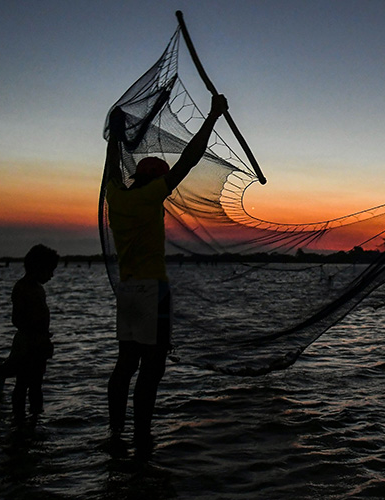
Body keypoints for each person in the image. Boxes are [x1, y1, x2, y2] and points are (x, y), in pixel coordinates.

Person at [104, 94, 229, 460]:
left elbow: (111, 167)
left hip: (127, 292)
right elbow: (190, 159)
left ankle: (116, 432)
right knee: (152, 367)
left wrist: (114, 137)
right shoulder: (150, 197)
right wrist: (212, 116)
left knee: (125, 364)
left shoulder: (116, 196)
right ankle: (142, 437)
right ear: (157, 181)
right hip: (152, 291)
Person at [6, 244, 59, 423]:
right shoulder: (22, 288)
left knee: (36, 384)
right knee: (23, 384)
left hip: (38, 343)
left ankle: (35, 416)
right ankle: (20, 417)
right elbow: (17, 319)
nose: (51, 275)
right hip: (28, 344)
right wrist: (35, 334)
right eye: (49, 271)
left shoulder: (36, 288)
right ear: (38, 268)